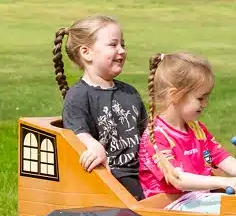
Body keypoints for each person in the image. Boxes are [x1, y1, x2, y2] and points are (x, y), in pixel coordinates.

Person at [54, 15, 146, 199]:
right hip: (111, 177)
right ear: (86, 53)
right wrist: (92, 145)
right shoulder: (78, 96)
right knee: (149, 208)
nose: (121, 51)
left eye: (123, 44)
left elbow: (145, 132)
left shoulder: (129, 93)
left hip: (142, 171)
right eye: (113, 45)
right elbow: (76, 132)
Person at [138, 52, 236, 197]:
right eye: (200, 98)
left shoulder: (198, 129)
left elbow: (221, 157)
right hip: (172, 207)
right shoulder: (156, 136)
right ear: (175, 95)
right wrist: (224, 182)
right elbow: (178, 179)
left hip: (200, 201)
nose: (205, 103)